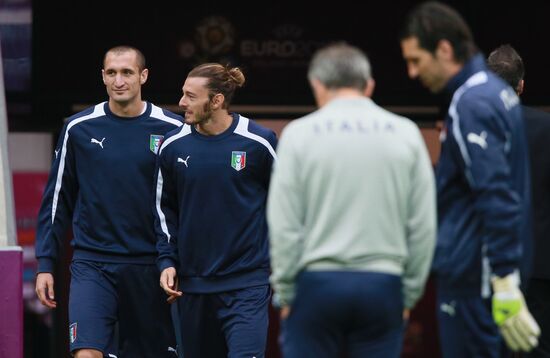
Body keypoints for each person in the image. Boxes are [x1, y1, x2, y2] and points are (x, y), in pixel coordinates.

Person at [267, 42, 437, 358]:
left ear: (317, 84)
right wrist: (409, 294)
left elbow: (284, 224)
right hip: (383, 284)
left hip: (316, 284)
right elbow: (424, 224)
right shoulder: (406, 133)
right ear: (369, 85)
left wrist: (286, 293)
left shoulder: (299, 134)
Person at [400, 2, 540, 356]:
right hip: (486, 275)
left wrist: (505, 281)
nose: (412, 73)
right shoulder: (496, 96)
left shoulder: (472, 102)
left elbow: (497, 195)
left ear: (444, 50)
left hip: (475, 281)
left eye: (417, 60)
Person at [34, 45, 182, 358]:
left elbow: (184, 204)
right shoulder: (78, 128)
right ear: (103, 76)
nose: (119, 80)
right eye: (111, 73)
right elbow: (57, 200)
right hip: (93, 263)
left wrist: (176, 261)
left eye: (127, 72)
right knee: (86, 353)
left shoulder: (172, 129)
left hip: (150, 267)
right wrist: (45, 263)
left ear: (143, 76)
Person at [154, 63, 277, 358]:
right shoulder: (171, 146)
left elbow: (285, 207)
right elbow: (163, 211)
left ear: (217, 100)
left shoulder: (260, 142)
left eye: (191, 96)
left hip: (247, 285)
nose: (182, 103)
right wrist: (167, 261)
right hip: (192, 288)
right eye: (183, 94)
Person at [488, 44, 550, 358]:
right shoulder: (546, 127)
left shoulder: (475, 126)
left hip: (488, 264)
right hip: (540, 264)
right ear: (521, 84)